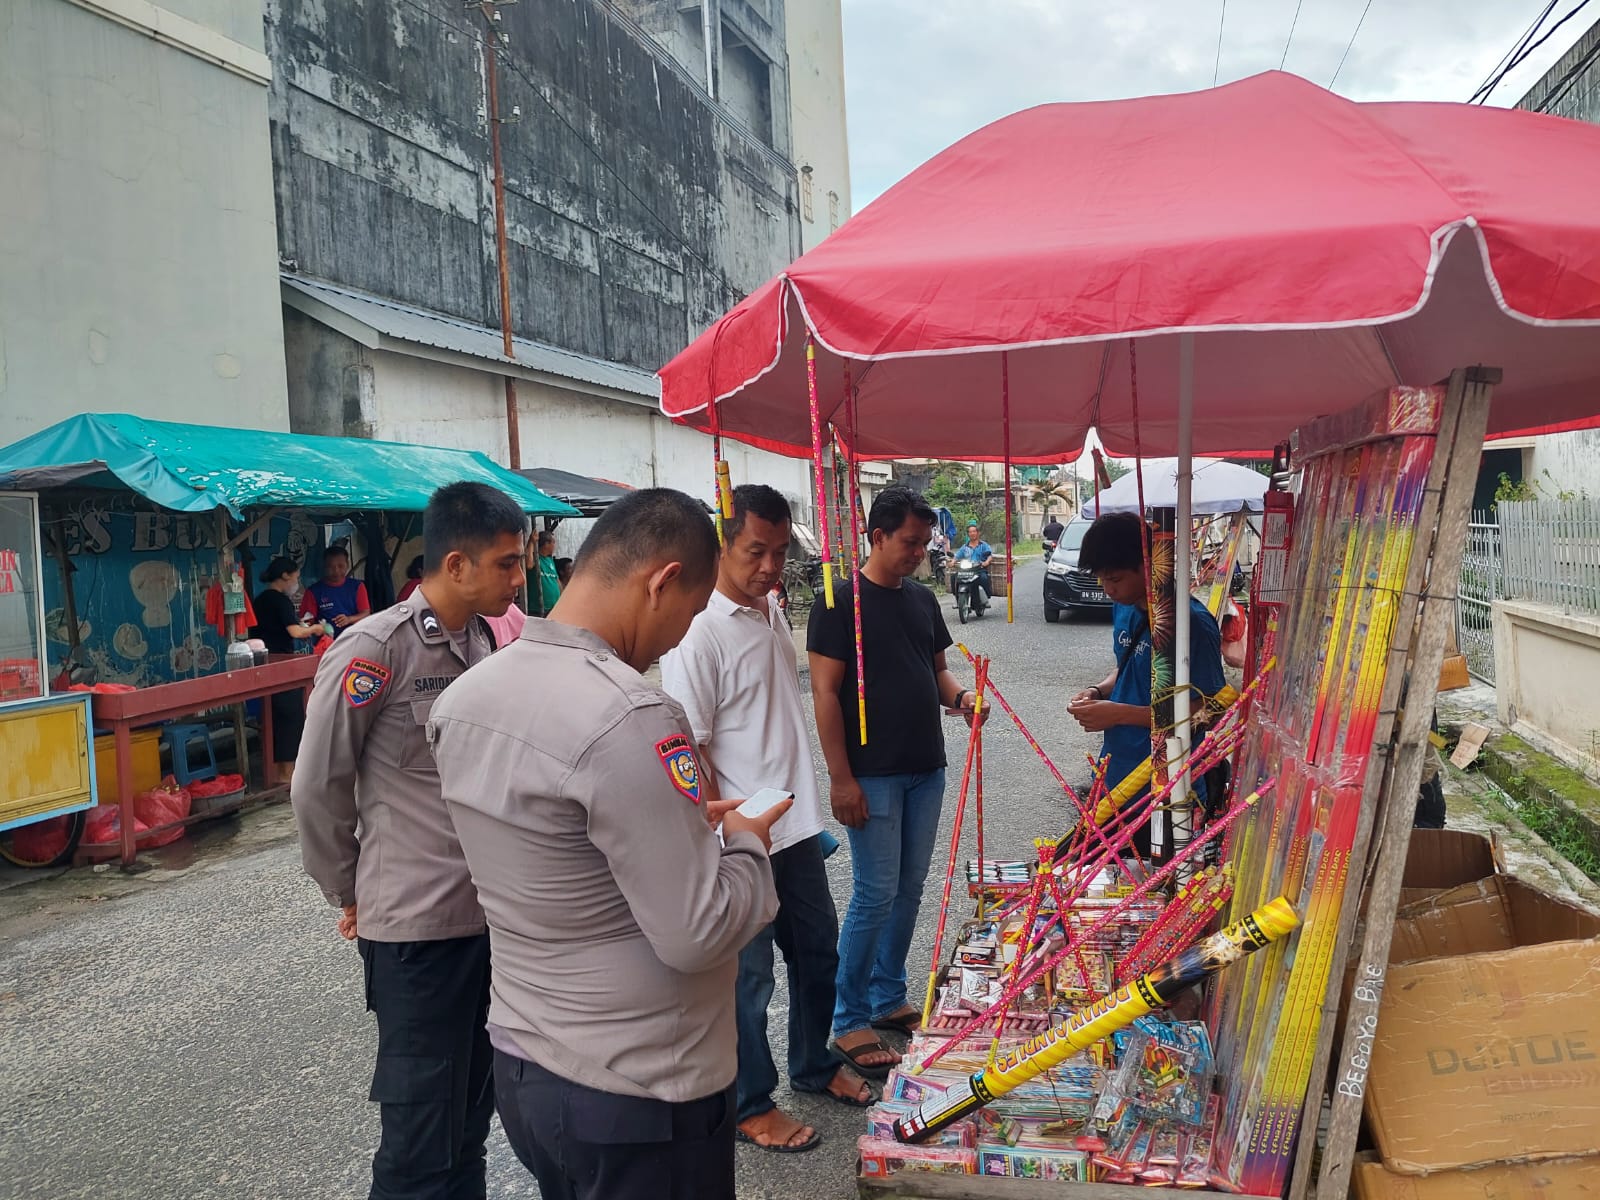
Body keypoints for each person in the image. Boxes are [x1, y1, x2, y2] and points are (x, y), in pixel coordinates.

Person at [429, 488, 785, 1200]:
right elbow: (699, 930)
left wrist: (679, 824)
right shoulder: (631, 714)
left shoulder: (466, 698)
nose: (680, 637)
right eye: (688, 612)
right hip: (642, 1093)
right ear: (661, 581)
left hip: (529, 1064)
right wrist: (744, 843)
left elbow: (558, 849)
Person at [291, 482, 529, 1200]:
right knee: (419, 1142)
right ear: (455, 565)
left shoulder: (487, 639)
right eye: (507, 564)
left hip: (487, 920)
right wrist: (350, 889)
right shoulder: (374, 650)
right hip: (418, 934)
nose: (520, 579)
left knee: (469, 1125)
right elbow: (316, 786)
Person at [660, 484, 872, 1155]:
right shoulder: (698, 632)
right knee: (748, 978)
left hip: (798, 825)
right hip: (740, 835)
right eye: (756, 551)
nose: (771, 566)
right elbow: (691, 746)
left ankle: (813, 1065)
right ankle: (750, 1102)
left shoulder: (772, 609)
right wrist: (723, 837)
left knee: (818, 952)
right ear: (722, 546)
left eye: (780, 552)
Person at [807, 486, 984, 1077]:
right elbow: (826, 694)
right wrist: (840, 779)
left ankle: (887, 995)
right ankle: (848, 1016)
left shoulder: (921, 598)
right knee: (875, 892)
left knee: (909, 888)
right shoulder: (839, 602)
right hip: (872, 774)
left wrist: (961, 698)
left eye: (924, 543)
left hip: (923, 766)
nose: (918, 553)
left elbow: (935, 670)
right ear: (877, 535)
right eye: (909, 542)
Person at [1068, 512, 1226, 857]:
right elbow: (1130, 668)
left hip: (1168, 786)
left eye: (1115, 578)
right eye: (1101, 579)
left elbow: (1210, 709)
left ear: (1148, 564)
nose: (1108, 589)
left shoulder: (1189, 624)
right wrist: (1098, 692)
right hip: (1117, 779)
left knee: (1157, 880)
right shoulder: (1124, 608)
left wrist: (1121, 714)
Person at [251, 556, 327, 785]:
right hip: (281, 667)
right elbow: (295, 632)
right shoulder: (280, 600)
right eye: (296, 576)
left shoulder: (261, 599)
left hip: (263, 665)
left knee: (273, 719)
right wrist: (316, 628)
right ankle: (287, 775)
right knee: (290, 718)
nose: (297, 581)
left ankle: (275, 773)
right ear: (285, 575)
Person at [299, 544, 372, 635]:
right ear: (324, 566)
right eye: (331, 567)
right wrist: (320, 627)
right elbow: (306, 622)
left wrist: (349, 619)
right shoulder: (313, 592)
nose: (336, 571)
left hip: (354, 640)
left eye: (341, 566)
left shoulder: (357, 586)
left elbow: (365, 613)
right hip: (327, 645)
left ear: (347, 564)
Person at [953, 523, 994, 598]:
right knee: (954, 577)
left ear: (978, 533)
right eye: (970, 532)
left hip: (979, 569)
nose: (972, 533)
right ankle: (957, 598)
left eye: (974, 531)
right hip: (966, 570)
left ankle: (987, 595)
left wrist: (986, 562)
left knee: (984, 578)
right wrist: (952, 562)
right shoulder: (964, 547)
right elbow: (957, 556)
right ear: (968, 534)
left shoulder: (984, 545)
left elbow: (990, 556)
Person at [531, 530, 562, 615]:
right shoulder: (535, 558)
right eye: (553, 543)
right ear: (546, 544)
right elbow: (528, 564)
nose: (555, 546)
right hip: (539, 609)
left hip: (554, 607)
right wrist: (532, 542)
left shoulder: (550, 560)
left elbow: (556, 580)